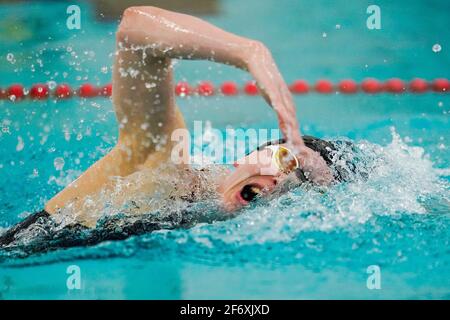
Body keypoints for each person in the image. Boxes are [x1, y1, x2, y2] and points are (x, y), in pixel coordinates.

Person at [1, 6, 351, 252]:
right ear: (249, 154)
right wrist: (249, 51)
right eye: (290, 160)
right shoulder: (167, 164)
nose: (285, 180)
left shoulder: (209, 226)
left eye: (302, 183)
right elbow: (134, 29)